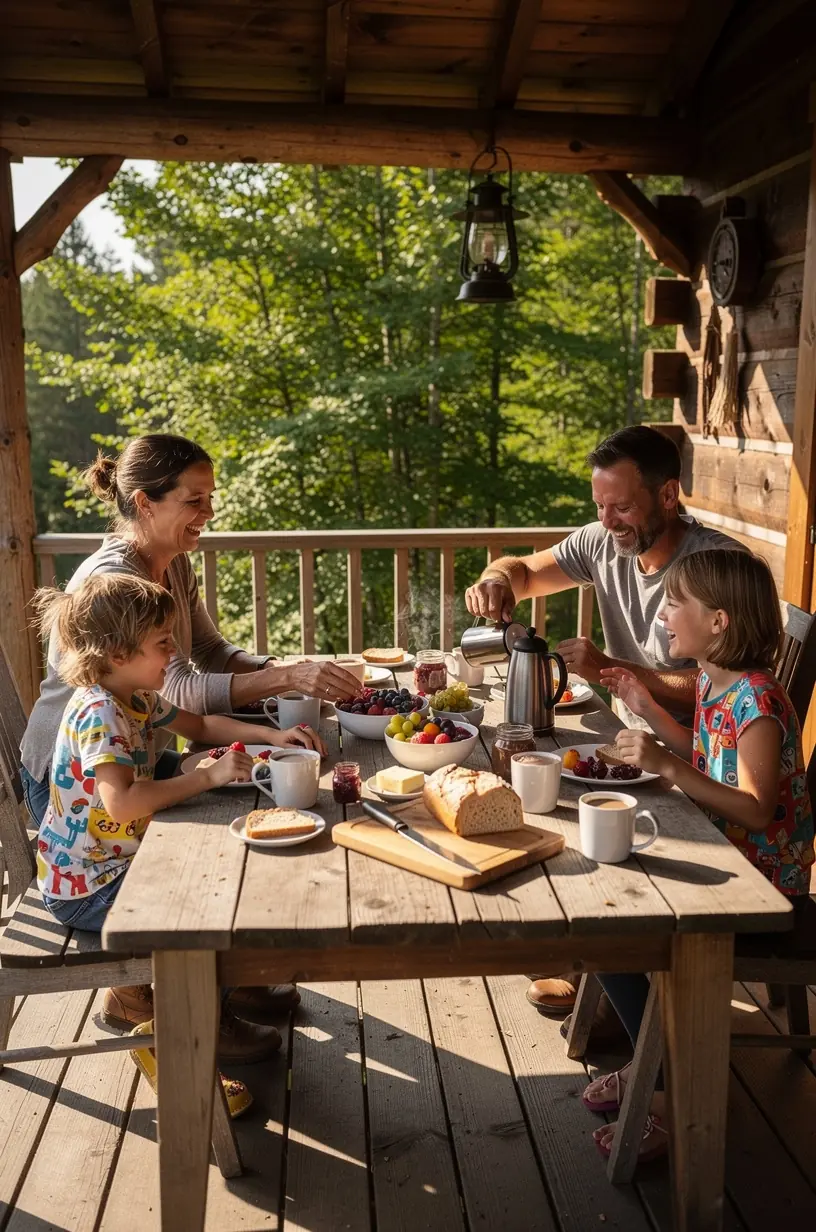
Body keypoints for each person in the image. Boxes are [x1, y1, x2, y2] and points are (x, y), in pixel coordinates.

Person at [464, 423, 743, 1017]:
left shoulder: (718, 566)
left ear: (668, 495)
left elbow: (727, 690)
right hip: (628, 743)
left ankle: (610, 977)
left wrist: (613, 670)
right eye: (599, 506)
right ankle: (595, 963)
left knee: (557, 822)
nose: (608, 521)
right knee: (525, 795)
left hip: (694, 761)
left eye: (622, 507)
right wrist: (497, 578)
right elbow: (525, 568)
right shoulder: (603, 542)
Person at [33, 572, 328, 1064]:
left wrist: (274, 737)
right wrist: (205, 778)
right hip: (87, 885)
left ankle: (228, 985)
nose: (173, 653)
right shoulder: (100, 714)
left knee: (220, 870)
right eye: (162, 643)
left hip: (116, 861)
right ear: (118, 653)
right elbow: (122, 803)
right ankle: (202, 1019)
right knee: (205, 904)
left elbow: (203, 725)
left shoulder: (136, 694)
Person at [584, 549, 814, 1164]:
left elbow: (755, 810)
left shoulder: (758, 702)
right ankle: (650, 1057)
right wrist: (652, 712)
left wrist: (665, 764)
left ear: (718, 621)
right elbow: (710, 754)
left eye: (674, 603)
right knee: (599, 900)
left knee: (614, 927)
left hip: (762, 886)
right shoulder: (716, 680)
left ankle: (667, 1087)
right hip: (724, 859)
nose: (662, 614)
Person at [21, 433, 362, 829]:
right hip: (70, 785)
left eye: (210, 498)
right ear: (145, 503)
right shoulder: (115, 584)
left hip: (137, 760)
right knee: (232, 812)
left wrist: (276, 671)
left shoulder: (174, 561)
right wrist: (287, 677)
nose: (210, 512)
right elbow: (180, 690)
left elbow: (209, 649)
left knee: (255, 781)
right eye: (194, 500)